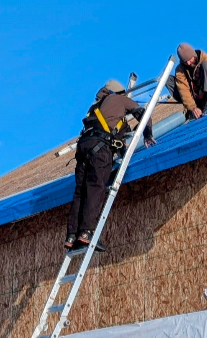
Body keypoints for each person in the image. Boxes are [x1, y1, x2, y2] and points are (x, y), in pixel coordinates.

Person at [66, 79, 156, 250]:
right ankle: (86, 233)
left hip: (83, 148)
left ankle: (72, 236)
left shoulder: (95, 107)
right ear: (120, 93)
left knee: (81, 192)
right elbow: (143, 113)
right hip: (100, 150)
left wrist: (122, 140)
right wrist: (147, 134)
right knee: (95, 188)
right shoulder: (120, 99)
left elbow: (116, 129)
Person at [167, 43, 207, 120]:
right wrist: (192, 108)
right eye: (185, 61)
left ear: (194, 55)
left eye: (189, 59)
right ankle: (196, 108)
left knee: (206, 65)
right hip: (195, 98)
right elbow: (184, 91)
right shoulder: (180, 70)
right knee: (167, 79)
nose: (188, 63)